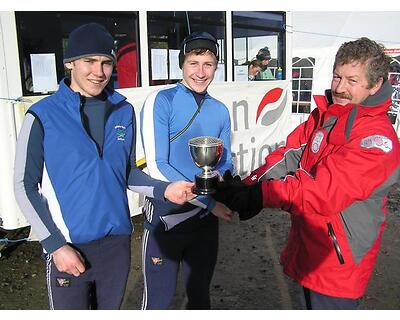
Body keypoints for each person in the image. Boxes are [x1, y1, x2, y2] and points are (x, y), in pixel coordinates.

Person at [13, 22, 194, 310]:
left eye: (106, 62)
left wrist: (164, 190)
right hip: (68, 245)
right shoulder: (41, 116)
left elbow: (125, 172)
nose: (98, 72)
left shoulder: (123, 110)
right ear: (70, 62)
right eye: (89, 61)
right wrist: (55, 245)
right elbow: (25, 186)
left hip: (116, 246)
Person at [213, 37, 400, 309]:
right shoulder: (325, 116)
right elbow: (289, 155)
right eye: (337, 76)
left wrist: (261, 196)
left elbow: (322, 191)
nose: (340, 87)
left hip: (338, 264)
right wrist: (248, 185)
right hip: (308, 250)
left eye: (352, 80)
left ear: (375, 85)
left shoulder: (377, 140)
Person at [140, 31, 233, 310]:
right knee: (158, 301)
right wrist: (209, 201)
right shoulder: (162, 100)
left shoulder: (220, 110)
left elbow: (225, 161)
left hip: (204, 224)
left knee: (200, 298)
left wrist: (220, 178)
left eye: (208, 64)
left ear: (216, 67)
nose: (201, 72)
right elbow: (157, 165)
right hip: (165, 219)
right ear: (182, 64)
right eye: (194, 62)